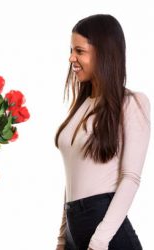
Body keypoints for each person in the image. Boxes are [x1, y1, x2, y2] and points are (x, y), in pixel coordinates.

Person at [54, 14, 150, 250]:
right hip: (75, 226)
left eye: (79, 51)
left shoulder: (132, 103)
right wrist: (62, 237)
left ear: (104, 53)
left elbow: (131, 178)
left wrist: (100, 240)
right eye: (71, 50)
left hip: (105, 232)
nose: (71, 58)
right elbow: (73, 177)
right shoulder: (81, 106)